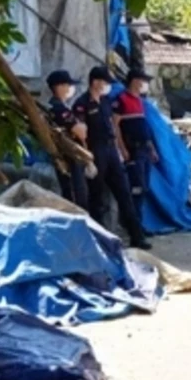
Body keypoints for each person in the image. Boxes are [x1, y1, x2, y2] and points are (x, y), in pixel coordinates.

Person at [73, 65, 150, 249]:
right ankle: (99, 242)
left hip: (110, 150)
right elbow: (79, 132)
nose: (107, 86)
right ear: (95, 82)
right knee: (96, 197)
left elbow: (112, 126)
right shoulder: (82, 103)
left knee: (124, 193)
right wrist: (87, 158)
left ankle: (137, 237)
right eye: (105, 82)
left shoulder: (107, 101)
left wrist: (118, 150)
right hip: (94, 151)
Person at [113, 69, 160, 222]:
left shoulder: (139, 101)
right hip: (132, 150)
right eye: (142, 80)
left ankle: (139, 223)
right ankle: (133, 225)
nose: (144, 84)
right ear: (134, 81)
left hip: (144, 149)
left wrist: (151, 148)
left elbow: (144, 127)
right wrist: (122, 149)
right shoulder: (121, 100)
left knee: (144, 187)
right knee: (136, 188)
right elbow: (115, 127)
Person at [45, 69, 90, 210]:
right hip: (69, 157)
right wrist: (82, 125)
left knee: (79, 194)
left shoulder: (62, 107)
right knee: (76, 197)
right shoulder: (58, 108)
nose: (71, 89)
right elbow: (80, 132)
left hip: (72, 156)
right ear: (59, 87)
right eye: (68, 85)